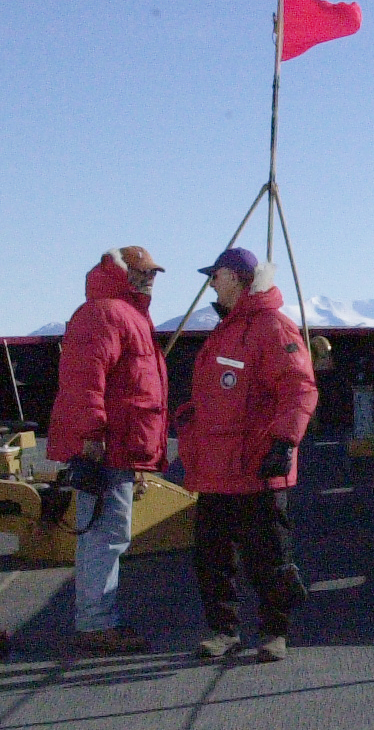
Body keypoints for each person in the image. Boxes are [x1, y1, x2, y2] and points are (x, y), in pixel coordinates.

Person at [175, 247, 319, 662]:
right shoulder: (229, 328)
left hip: (257, 466)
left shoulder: (272, 326)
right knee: (212, 556)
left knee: (268, 555)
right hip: (218, 469)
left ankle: (275, 633)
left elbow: (300, 387)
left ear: (235, 278)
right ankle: (224, 631)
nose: (211, 283)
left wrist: (284, 442)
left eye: (215, 276)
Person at [46, 245, 169, 654]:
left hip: (115, 445)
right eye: (143, 271)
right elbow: (86, 382)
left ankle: (95, 619)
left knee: (106, 532)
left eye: (153, 272)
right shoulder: (108, 314)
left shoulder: (118, 313)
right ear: (124, 273)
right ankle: (96, 623)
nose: (150, 277)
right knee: (105, 533)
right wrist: (92, 437)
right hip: (107, 446)